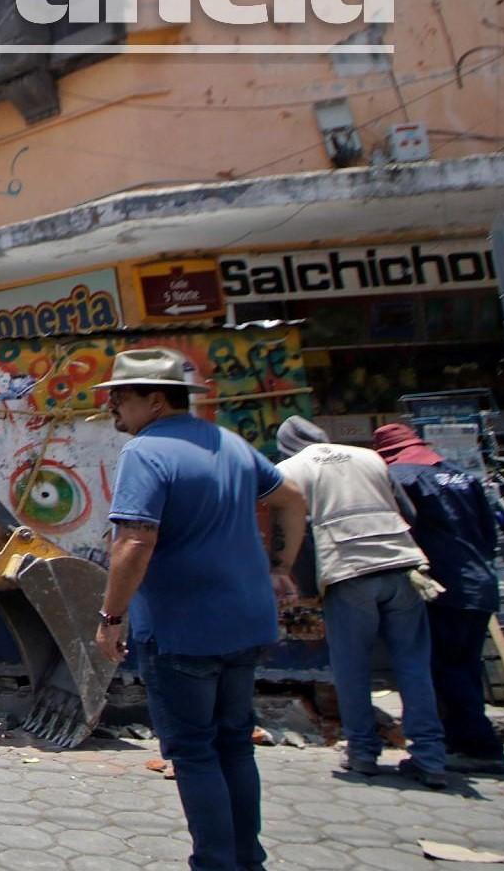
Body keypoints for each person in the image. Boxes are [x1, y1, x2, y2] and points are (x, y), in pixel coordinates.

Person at [90, 347, 309, 871]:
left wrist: (110, 617)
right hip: (246, 622)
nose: (114, 407)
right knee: (234, 744)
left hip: (182, 628)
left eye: (122, 397)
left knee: (192, 752)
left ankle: (215, 862)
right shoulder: (228, 442)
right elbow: (293, 497)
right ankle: (245, 859)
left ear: (157, 400)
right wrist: (281, 565)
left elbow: (134, 542)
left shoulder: (146, 452)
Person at [273, 417, 448, 785]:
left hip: (348, 573)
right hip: (403, 566)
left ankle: (364, 752)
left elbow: (292, 531)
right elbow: (409, 514)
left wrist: (300, 583)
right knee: (414, 665)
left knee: (352, 669)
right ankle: (430, 758)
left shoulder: (289, 469)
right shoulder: (370, 457)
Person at [378, 422, 504, 776]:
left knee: (446, 667)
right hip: (480, 583)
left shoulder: (401, 477)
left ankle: (478, 747)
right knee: (465, 666)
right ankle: (463, 740)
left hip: (442, 585)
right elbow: (488, 532)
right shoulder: (462, 476)